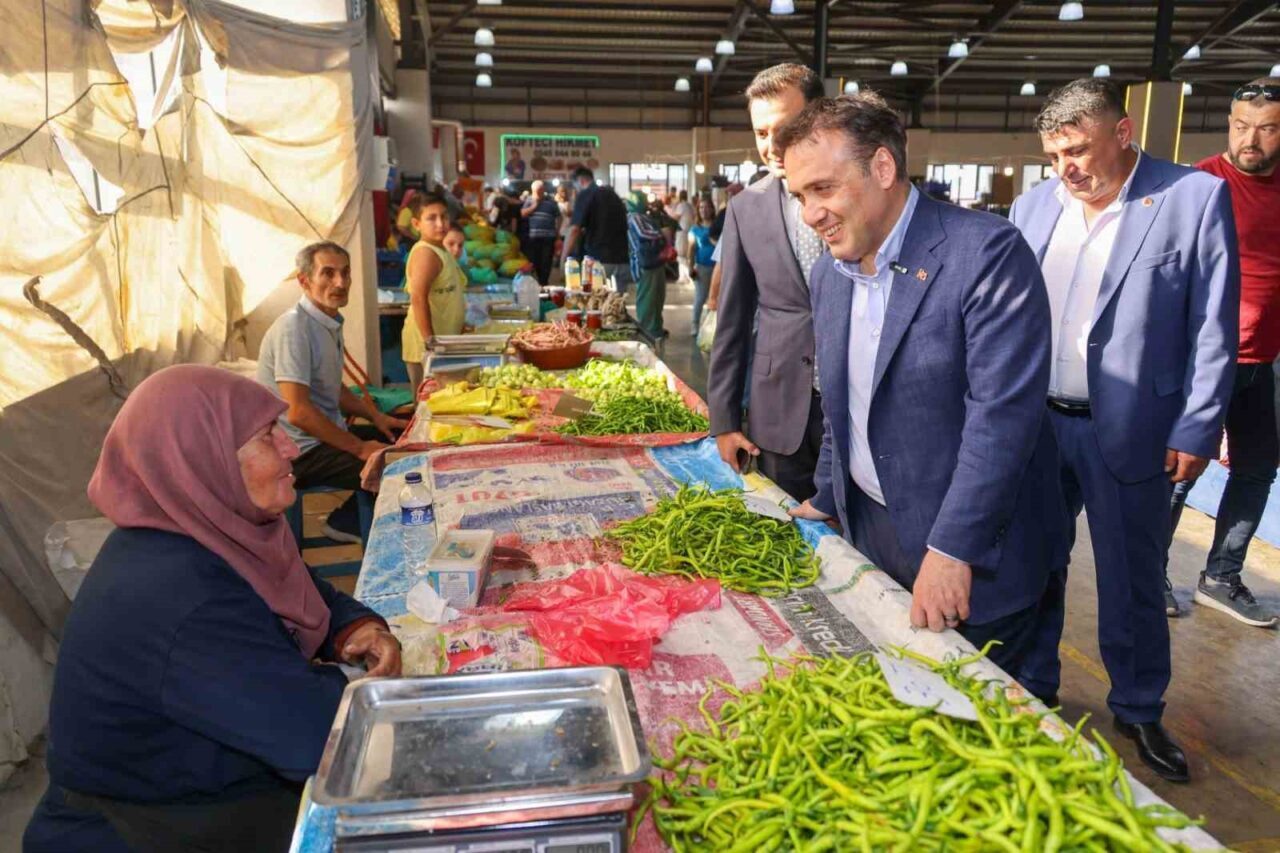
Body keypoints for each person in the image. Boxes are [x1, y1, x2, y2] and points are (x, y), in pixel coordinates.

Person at [23, 365, 401, 853]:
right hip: (140, 832)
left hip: (198, 792)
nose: (291, 448)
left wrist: (354, 626)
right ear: (202, 458)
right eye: (267, 436)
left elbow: (305, 589)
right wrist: (345, 679)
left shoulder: (207, 533)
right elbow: (316, 736)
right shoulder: (179, 596)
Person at [783, 94, 1065, 681]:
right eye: (800, 196)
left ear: (883, 168)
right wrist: (830, 494)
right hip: (874, 533)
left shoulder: (984, 253)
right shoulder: (829, 273)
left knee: (983, 712)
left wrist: (954, 548)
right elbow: (842, 404)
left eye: (823, 189)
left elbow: (1001, 419)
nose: (810, 214)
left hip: (973, 552)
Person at [1009, 79, 1239, 783]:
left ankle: (1138, 707)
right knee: (1032, 563)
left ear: (1123, 131)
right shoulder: (1033, 205)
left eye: (1078, 150)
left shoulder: (1191, 198)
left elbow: (1214, 325)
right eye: (1054, 155)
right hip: (1037, 423)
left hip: (1136, 427)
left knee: (1132, 575)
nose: (1066, 169)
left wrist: (1197, 426)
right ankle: (1033, 686)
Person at [1163, 77, 1280, 627]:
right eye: (1240, 126)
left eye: (1267, 129)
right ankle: (1147, 573)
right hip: (1206, 359)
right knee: (1181, 469)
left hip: (1269, 361)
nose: (1250, 140)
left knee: (1256, 472)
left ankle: (1221, 577)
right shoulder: (1200, 184)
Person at [708, 63, 827, 502]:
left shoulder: (856, 196)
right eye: (761, 132)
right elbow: (732, 323)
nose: (771, 145)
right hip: (777, 408)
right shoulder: (746, 209)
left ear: (819, 116)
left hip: (855, 409)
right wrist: (724, 422)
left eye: (784, 128)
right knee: (783, 525)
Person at [257, 242, 409, 544]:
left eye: (345, 273)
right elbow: (298, 413)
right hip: (299, 451)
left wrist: (376, 417)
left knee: (406, 440)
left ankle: (353, 518)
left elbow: (334, 389)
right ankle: (347, 521)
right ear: (304, 281)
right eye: (328, 273)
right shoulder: (294, 328)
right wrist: (359, 448)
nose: (340, 283)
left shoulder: (327, 322)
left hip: (323, 436)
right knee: (398, 468)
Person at [402, 194, 469, 390]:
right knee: (428, 401)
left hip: (443, 343)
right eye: (431, 218)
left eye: (444, 216)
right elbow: (418, 298)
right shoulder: (425, 253)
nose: (440, 224)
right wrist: (430, 342)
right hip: (427, 347)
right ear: (416, 224)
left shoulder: (441, 250)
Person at [561, 166, 632, 292]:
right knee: (617, 302)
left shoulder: (586, 194)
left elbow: (574, 230)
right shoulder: (613, 195)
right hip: (623, 261)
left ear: (581, 181)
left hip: (599, 262)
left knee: (596, 302)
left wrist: (564, 259)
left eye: (575, 186)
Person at [625, 190, 668, 339]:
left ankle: (655, 329)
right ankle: (648, 332)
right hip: (645, 265)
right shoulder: (634, 217)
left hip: (654, 262)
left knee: (656, 297)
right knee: (647, 301)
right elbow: (642, 233)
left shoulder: (642, 216)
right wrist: (661, 234)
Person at [521, 179, 561, 286]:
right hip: (533, 237)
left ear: (543, 190)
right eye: (536, 191)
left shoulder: (551, 202)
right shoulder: (529, 200)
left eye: (540, 191)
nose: (538, 193)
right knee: (534, 261)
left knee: (546, 261)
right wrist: (534, 206)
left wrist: (557, 234)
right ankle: (536, 282)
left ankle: (544, 283)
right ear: (532, 190)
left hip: (548, 237)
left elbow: (558, 217)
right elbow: (523, 213)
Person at [688, 198, 717, 332]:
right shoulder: (695, 229)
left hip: (718, 267)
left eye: (706, 207)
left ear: (712, 209)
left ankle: (710, 326)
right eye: (701, 207)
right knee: (700, 297)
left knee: (715, 297)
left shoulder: (717, 227)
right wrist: (690, 267)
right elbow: (691, 249)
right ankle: (695, 324)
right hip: (702, 267)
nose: (703, 210)